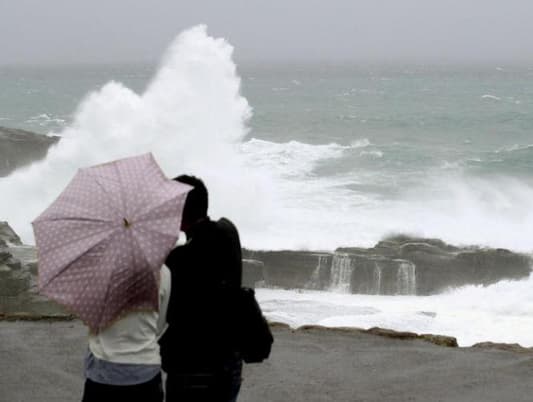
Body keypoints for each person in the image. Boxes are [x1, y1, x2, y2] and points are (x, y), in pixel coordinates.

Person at [160, 175, 243, 402]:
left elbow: (168, 312)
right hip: (228, 362)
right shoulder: (228, 233)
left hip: (191, 368)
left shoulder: (177, 260)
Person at [81, 264, 171, 402]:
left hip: (104, 369)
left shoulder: (99, 269)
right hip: (146, 367)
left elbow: (88, 317)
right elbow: (160, 324)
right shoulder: (162, 271)